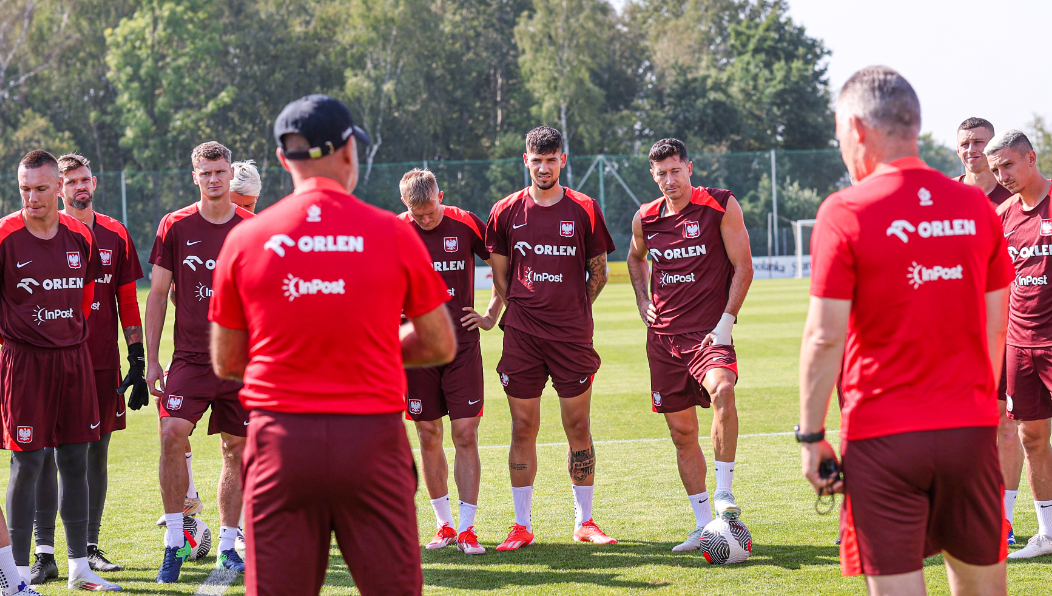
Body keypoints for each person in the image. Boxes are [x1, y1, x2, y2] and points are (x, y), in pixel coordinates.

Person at [209, 94, 455, 596]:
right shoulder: (393, 231)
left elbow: (227, 360)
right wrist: (365, 350)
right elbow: (438, 341)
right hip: (371, 441)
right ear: (348, 151)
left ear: (283, 159)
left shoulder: (245, 239)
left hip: (281, 443)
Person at [799, 66, 1011, 595]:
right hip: (971, 431)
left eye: (839, 135)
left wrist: (810, 436)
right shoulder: (975, 209)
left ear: (857, 129)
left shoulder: (844, 211)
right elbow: (997, 327)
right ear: (914, 127)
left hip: (884, 438)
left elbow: (825, 338)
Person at [486, 125, 617, 551]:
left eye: (551, 159)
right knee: (523, 426)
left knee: (577, 425)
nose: (543, 167)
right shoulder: (505, 210)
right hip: (522, 336)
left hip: (571, 338)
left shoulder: (584, 208)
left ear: (563, 160)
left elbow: (599, 272)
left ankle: (585, 521)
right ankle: (522, 526)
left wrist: (573, 311)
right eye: (536, 160)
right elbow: (501, 278)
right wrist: (526, 309)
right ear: (525, 161)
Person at [0, 150, 121, 591]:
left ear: (58, 189)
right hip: (25, 362)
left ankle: (79, 569)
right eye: (24, 190)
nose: (31, 198)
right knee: (28, 461)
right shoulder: (5, 236)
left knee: (75, 457)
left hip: (75, 358)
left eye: (40, 189)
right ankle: (10, 577)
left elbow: (85, 292)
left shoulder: (79, 235)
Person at [626, 138, 753, 551]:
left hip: (710, 332)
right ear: (653, 175)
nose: (669, 180)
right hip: (663, 339)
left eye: (675, 170)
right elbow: (634, 258)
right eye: (661, 173)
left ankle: (724, 493)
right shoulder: (645, 217)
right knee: (682, 434)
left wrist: (727, 321)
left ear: (690, 168)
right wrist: (643, 300)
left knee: (724, 389)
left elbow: (743, 266)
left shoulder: (719, 204)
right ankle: (703, 526)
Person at [29, 154, 146, 584]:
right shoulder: (41, 233)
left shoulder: (115, 232)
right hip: (49, 361)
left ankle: (90, 547)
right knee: (43, 455)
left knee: (96, 452)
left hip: (99, 363)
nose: (80, 187)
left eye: (84, 179)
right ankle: (44, 552)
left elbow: (127, 298)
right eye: (71, 181)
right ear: (59, 188)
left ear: (94, 182)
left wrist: (137, 356)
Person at [145, 141, 254, 582]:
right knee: (171, 432)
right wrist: (152, 359)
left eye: (220, 171)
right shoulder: (174, 225)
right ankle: (175, 540)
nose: (214, 179)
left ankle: (228, 546)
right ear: (195, 176)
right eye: (205, 172)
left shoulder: (252, 227)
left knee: (237, 449)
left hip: (242, 362)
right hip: (190, 358)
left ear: (231, 175)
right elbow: (156, 295)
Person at [397, 169, 503, 555]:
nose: (426, 220)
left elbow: (501, 265)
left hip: (461, 347)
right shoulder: (395, 231)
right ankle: (443, 525)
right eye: (417, 214)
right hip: (415, 352)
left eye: (431, 211)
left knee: (466, 435)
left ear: (441, 195)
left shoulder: (466, 223)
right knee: (428, 435)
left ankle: (468, 527)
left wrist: (491, 313)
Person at [955, 117, 1026, 544]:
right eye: (965, 143)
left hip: (1004, 324)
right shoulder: (946, 195)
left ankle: (1005, 519)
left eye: (979, 142)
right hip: (953, 327)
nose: (972, 150)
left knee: (1004, 422)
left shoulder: (1012, 192)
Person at [987, 129, 1052, 559]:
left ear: (1030, 158)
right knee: (1031, 436)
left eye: (1008, 164)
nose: (1002, 175)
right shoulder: (1005, 213)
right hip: (1020, 342)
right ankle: (1047, 533)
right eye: (996, 170)